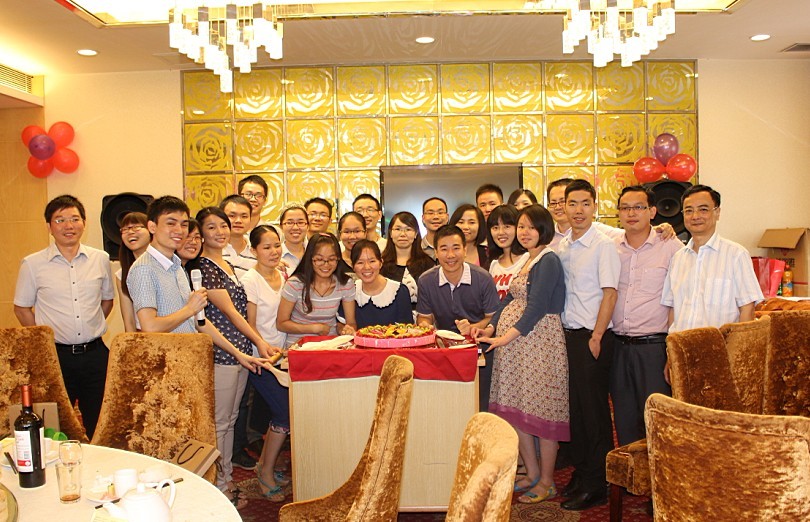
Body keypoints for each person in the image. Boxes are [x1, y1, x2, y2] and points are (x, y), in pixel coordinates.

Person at [472, 204, 568, 504]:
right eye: (522, 227)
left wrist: (503, 338)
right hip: (516, 347)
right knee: (517, 409)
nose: (525, 233)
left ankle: (547, 481)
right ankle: (532, 473)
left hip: (539, 345)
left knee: (542, 411)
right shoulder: (528, 258)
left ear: (544, 229)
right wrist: (491, 328)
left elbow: (536, 308)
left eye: (531, 227)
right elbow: (508, 301)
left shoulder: (548, 260)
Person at [14, 195, 114, 439]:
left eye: (74, 219)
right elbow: (22, 308)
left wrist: (90, 325)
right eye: (60, 220)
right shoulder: (32, 264)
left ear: (84, 223)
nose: (69, 226)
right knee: (57, 426)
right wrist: (43, 340)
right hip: (55, 357)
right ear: (49, 226)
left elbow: (107, 301)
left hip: (95, 356)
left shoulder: (100, 259)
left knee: (101, 424)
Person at [196, 206, 279, 500]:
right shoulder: (203, 267)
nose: (220, 232)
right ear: (200, 233)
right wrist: (259, 340)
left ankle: (227, 477)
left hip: (241, 352)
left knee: (230, 420)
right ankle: (220, 484)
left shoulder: (228, 265)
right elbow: (231, 313)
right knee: (221, 423)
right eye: (211, 227)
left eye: (223, 225)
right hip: (223, 353)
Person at [555, 179, 620, 511]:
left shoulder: (603, 245)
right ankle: (582, 475)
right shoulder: (563, 245)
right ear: (563, 207)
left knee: (594, 414)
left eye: (585, 203)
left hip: (592, 338)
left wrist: (597, 336)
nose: (578, 210)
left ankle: (598, 484)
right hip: (568, 337)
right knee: (576, 413)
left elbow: (610, 293)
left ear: (595, 206)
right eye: (572, 203)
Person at [610, 186, 682, 447]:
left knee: (657, 420)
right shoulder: (610, 247)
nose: (631, 213)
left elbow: (680, 299)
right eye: (625, 208)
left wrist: (672, 351)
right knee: (624, 419)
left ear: (652, 211)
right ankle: (631, 470)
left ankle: (659, 472)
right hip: (618, 346)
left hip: (654, 348)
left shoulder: (671, 246)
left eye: (638, 207)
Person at [416, 224, 500, 410]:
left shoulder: (482, 278)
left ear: (465, 250)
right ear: (435, 253)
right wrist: (425, 326)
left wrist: (474, 327)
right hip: (442, 351)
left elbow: (493, 317)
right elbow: (424, 317)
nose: (450, 255)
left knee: (477, 404)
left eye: (456, 248)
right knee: (445, 405)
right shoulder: (426, 280)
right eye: (444, 249)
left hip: (479, 350)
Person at [662, 184, 763, 333]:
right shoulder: (678, 259)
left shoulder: (736, 255)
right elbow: (672, 309)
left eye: (703, 209)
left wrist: (738, 345)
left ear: (717, 213)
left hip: (720, 345)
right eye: (689, 211)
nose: (695, 216)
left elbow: (747, 309)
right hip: (681, 344)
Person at [242, 225, 291, 502]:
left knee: (285, 414)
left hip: (282, 357)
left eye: (277, 245)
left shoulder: (282, 275)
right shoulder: (250, 280)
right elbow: (249, 324)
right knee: (283, 414)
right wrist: (262, 347)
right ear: (254, 250)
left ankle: (265, 465)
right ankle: (265, 473)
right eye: (266, 247)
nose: (274, 251)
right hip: (260, 358)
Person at [277, 233, 357, 347]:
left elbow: (351, 323)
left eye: (331, 259)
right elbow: (281, 323)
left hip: (330, 345)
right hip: (299, 346)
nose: (326, 265)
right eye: (319, 259)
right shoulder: (295, 284)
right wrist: (314, 328)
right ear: (310, 259)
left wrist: (347, 329)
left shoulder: (345, 283)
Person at [352, 239, 412, 328]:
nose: (367, 267)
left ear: (381, 263)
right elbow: (342, 324)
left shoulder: (399, 291)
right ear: (353, 266)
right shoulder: (351, 291)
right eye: (360, 262)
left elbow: (406, 329)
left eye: (372, 261)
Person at [380, 211, 435, 307]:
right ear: (391, 233)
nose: (403, 234)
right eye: (398, 229)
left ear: (416, 233)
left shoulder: (428, 264)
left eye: (408, 229)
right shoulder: (380, 264)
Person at [116, 212, 150, 332]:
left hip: (171, 334)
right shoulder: (122, 274)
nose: (130, 232)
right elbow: (129, 321)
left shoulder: (165, 265)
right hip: (141, 336)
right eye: (125, 229)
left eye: (136, 227)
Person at [487, 205, 529, 301]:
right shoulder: (494, 264)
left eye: (507, 227)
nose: (501, 232)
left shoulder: (528, 259)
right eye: (495, 227)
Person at [220, 195, 256, 275]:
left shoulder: (257, 249)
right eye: (232, 216)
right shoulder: (213, 249)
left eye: (244, 216)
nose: (238, 221)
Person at [449, 204, 489, 269]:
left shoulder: (488, 253)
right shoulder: (444, 252)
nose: (465, 227)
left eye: (471, 222)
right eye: (461, 222)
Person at [279, 205, 308, 274]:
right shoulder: (275, 255)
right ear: (281, 227)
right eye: (289, 223)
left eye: (300, 223)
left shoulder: (315, 253)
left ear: (308, 226)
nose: (295, 227)